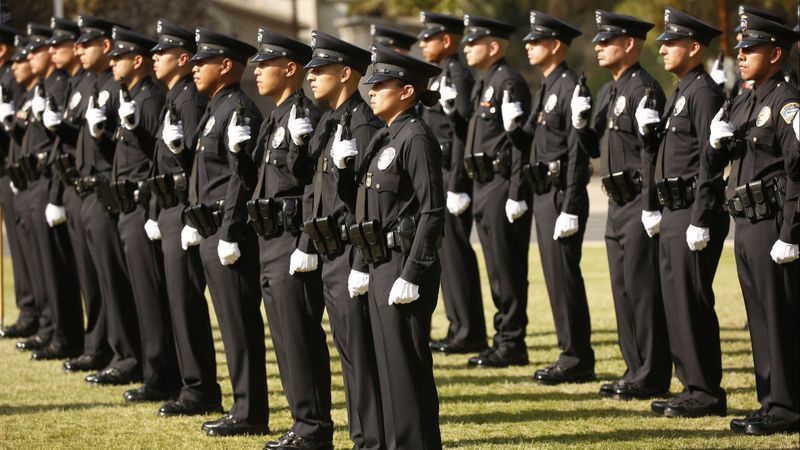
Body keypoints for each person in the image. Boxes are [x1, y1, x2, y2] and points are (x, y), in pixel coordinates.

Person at [227, 27, 332, 448]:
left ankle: (313, 429)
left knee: (299, 337)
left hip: (291, 239)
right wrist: (239, 156)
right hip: (270, 239)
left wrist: (307, 243)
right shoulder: (276, 117)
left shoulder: (303, 116)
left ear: (290, 69)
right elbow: (261, 183)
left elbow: (311, 187)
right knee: (285, 340)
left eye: (264, 66)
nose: (255, 74)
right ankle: (301, 424)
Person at [706, 12, 799, 435]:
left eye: (751, 48)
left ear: (775, 53)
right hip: (746, 222)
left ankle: (787, 406)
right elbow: (722, 160)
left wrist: (791, 234)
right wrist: (714, 144)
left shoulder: (786, 100)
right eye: (740, 48)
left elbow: (799, 171)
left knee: (780, 319)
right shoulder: (745, 99)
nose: (741, 55)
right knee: (759, 319)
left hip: (774, 223)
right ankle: (770, 402)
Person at [572, 10, 672, 398]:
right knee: (623, 290)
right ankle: (634, 369)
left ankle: (651, 373)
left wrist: (651, 204)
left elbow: (651, 155)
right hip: (615, 203)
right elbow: (593, 146)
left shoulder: (644, 89)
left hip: (637, 200)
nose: (598, 47)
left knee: (643, 292)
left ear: (629, 44)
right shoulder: (610, 90)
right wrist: (582, 126)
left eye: (606, 41)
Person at [294, 30, 385, 449]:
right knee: (349, 354)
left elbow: (368, 200)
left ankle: (371, 440)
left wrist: (361, 262)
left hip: (351, 253)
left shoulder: (362, 123)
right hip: (329, 252)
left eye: (321, 70)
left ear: (345, 73)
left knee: (361, 357)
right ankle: (362, 436)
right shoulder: (331, 122)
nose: (311, 78)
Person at [351, 42, 444, 449]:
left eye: (380, 86)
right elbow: (368, 209)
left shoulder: (416, 137)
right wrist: (359, 262)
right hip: (378, 261)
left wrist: (413, 272)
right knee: (387, 364)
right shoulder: (386, 138)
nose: (371, 92)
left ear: (406, 90)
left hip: (403, 263)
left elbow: (432, 210)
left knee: (406, 366)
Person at [642, 8, 730, 416]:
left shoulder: (704, 92)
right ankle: (691, 386)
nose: (661, 50)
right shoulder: (682, 90)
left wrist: (701, 216)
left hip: (694, 211)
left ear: (693, 47)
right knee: (676, 302)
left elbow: (711, 162)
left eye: (670, 43)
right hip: (674, 209)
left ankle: (707, 392)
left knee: (692, 302)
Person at [505, 10, 595, 384]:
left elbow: (576, 152)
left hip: (561, 195)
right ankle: (569, 353)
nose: (528, 47)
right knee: (555, 280)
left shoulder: (570, 85)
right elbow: (532, 142)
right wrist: (513, 129)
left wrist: (571, 207)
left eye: (535, 41)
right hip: (544, 192)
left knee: (565, 279)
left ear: (555, 45)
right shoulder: (546, 87)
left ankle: (576, 358)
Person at [188, 27, 266, 437]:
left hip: (227, 231)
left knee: (239, 325)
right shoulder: (216, 107)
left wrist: (232, 232)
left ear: (227, 66)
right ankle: (243, 406)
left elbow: (240, 179)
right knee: (229, 324)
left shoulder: (238, 108)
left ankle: (250, 412)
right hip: (210, 229)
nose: (195, 67)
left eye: (203, 61)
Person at [148, 18, 222, 417]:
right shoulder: (177, 96)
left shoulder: (189, 99)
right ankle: (188, 382)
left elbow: (195, 165)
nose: (154, 58)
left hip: (182, 210)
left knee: (185, 301)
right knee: (175, 301)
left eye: (162, 52)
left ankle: (199, 388)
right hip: (169, 209)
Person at [107, 26, 181, 403]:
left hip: (141, 205)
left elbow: (159, 159)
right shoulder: (134, 96)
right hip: (129, 206)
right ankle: (155, 370)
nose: (112, 63)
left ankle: (161, 375)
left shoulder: (149, 99)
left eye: (117, 57)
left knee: (152, 298)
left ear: (134, 61)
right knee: (141, 295)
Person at [460, 15, 533, 368]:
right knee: (494, 267)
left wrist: (518, 191)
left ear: (493, 46)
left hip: (502, 183)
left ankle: (513, 342)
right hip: (482, 183)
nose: (466, 47)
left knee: (507, 266)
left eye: (473, 42)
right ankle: (501, 337)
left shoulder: (509, 82)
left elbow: (520, 144)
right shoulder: (484, 82)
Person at [73, 15, 141, 386]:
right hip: (88, 189)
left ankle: (126, 354)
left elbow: (127, 145)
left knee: (114, 281)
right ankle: (113, 350)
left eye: (88, 43)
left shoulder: (116, 87)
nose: (79, 49)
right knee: (99, 278)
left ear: (105, 46)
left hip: (106, 190)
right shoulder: (94, 84)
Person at [44, 17, 111, 372]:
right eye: (79, 43)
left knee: (102, 280)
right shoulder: (83, 84)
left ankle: (104, 348)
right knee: (88, 276)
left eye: (86, 43)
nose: (79, 49)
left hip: (98, 190)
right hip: (75, 187)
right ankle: (95, 345)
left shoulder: (101, 85)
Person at [418, 11, 486, 355]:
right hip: (439, 174)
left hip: (451, 174)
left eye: (428, 37)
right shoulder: (439, 75)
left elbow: (462, 133)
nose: (422, 43)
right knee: (447, 254)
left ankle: (469, 331)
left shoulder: (456, 74)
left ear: (446, 40)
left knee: (456, 253)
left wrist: (458, 182)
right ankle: (458, 325)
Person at [15, 23, 84, 360]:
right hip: (33, 180)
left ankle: (65, 334)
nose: (51, 51)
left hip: (53, 182)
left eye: (57, 46)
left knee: (58, 268)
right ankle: (50, 327)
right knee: (40, 263)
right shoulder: (45, 86)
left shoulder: (63, 85)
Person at [0, 25, 38, 341]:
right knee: (19, 242)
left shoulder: (10, 79)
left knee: (25, 246)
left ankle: (32, 312)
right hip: (11, 168)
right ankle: (29, 311)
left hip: (14, 170)